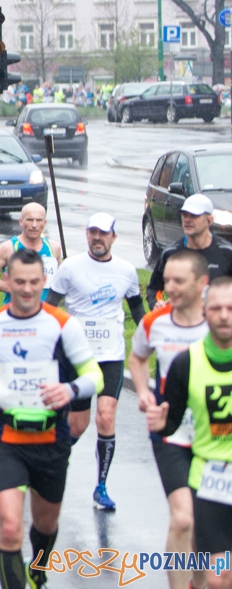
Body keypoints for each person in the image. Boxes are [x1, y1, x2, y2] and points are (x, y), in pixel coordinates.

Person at [0, 250, 102, 589]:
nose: (27, 290)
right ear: (6, 280)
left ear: (44, 282)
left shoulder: (62, 324)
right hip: (6, 438)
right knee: (8, 526)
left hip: (51, 437)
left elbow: (95, 375)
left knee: (46, 524)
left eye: (34, 282)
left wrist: (70, 389)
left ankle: (38, 570)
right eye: (19, 282)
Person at [45, 212, 144, 513]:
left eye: (103, 233)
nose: (97, 238)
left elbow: (139, 312)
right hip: (78, 355)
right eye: (92, 232)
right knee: (78, 425)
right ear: (86, 235)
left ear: (114, 237)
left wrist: (152, 336)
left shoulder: (127, 271)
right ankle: (48, 463)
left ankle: (101, 487)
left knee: (105, 416)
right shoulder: (70, 268)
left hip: (111, 355)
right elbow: (49, 308)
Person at [129, 249, 208, 589]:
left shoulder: (219, 322)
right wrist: (145, 392)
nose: (169, 288)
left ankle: (200, 582)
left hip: (217, 435)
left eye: (179, 281)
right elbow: (137, 358)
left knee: (204, 524)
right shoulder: (154, 322)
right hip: (169, 430)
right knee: (183, 519)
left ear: (202, 284)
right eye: (166, 281)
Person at [153, 275, 232, 589]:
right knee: (218, 579)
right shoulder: (186, 363)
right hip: (210, 482)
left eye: (230, 308)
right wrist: (161, 422)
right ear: (204, 310)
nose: (224, 315)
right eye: (216, 308)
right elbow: (171, 423)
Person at [148, 193, 232, 305]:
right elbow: (153, 289)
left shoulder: (227, 252)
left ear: (209, 221)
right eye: (185, 215)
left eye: (194, 216)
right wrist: (157, 304)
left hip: (218, 319)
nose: (187, 220)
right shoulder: (170, 253)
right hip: (182, 319)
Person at [0, 202, 62, 303]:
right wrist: (14, 288)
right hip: (16, 312)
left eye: (38, 220)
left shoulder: (54, 248)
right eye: (29, 220)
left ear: (44, 223)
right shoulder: (8, 248)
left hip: (46, 313)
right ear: (21, 222)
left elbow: (62, 279)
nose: (34, 225)